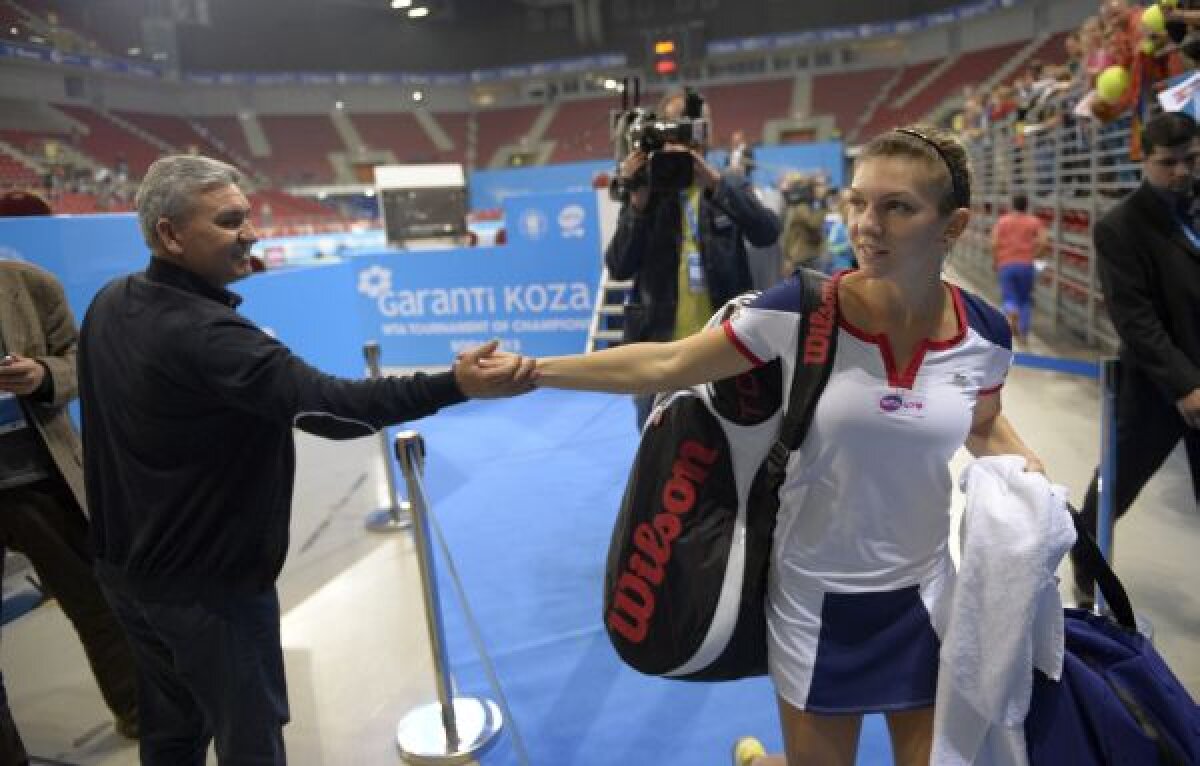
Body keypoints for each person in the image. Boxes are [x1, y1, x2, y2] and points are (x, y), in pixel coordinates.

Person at [520, 125, 1044, 766]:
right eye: (859, 201)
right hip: (814, 604)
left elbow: (984, 422)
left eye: (897, 207)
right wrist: (533, 371)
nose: (867, 225)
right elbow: (669, 364)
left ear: (952, 225)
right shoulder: (804, 310)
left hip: (927, 598)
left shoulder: (985, 335)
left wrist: (1029, 476)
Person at [77, 155, 535, 765]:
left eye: (247, 216)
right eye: (229, 221)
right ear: (170, 234)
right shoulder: (210, 336)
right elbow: (334, 409)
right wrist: (454, 385)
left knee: (171, 734)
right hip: (207, 593)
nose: (251, 233)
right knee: (250, 742)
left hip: (127, 578)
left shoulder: (110, 302)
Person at [0, 190, 140, 765]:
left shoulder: (30, 285)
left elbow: (79, 360)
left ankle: (138, 709)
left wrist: (41, 375)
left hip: (40, 478)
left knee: (97, 604)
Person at [1071, 111, 1200, 605]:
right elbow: (1135, 319)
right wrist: (1184, 384)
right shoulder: (1120, 227)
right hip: (1153, 386)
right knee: (1114, 490)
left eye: (1191, 159)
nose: (1182, 171)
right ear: (1143, 159)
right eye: (1168, 163)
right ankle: (1085, 563)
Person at [607, 87, 780, 428]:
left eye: (695, 126)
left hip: (722, 348)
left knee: (728, 444)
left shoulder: (726, 183)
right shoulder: (648, 189)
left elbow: (767, 232)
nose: (685, 135)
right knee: (657, 448)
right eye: (676, 126)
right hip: (658, 351)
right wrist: (637, 204)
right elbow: (619, 266)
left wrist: (715, 184)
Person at [990, 192, 1048, 345]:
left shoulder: (1003, 221)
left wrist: (996, 261)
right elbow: (1043, 242)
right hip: (1026, 265)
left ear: (1013, 205)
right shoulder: (1034, 221)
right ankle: (1024, 335)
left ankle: (1012, 311)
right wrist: (1034, 256)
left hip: (1006, 264)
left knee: (1009, 297)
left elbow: (994, 243)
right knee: (1025, 300)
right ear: (1026, 205)